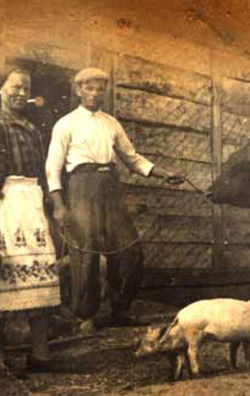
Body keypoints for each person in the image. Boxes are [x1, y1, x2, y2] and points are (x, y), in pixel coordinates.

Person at [45, 67, 184, 328]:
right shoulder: (65, 124)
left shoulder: (111, 123)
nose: (95, 94)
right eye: (89, 88)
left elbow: (132, 158)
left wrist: (163, 174)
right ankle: (85, 315)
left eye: (100, 89)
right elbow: (53, 167)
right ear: (78, 90)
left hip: (110, 186)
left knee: (129, 250)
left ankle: (120, 309)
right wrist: (59, 205)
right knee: (85, 252)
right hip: (81, 186)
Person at [0, 68, 61, 374]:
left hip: (32, 206)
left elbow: (42, 175)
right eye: (15, 87)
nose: (21, 93)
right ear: (0, 89)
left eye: (26, 88)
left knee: (41, 278)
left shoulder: (32, 130)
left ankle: (40, 355)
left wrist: (48, 206)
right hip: (4, 206)